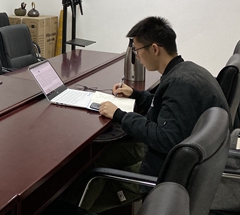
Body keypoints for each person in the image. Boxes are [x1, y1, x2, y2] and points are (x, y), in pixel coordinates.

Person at [68, 16, 229, 213]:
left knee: (92, 181)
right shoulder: (186, 70)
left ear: (154, 49)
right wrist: (136, 95)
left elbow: (164, 138)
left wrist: (119, 115)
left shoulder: (180, 85)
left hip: (162, 172)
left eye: (137, 50)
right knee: (106, 155)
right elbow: (165, 106)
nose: (137, 57)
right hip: (167, 155)